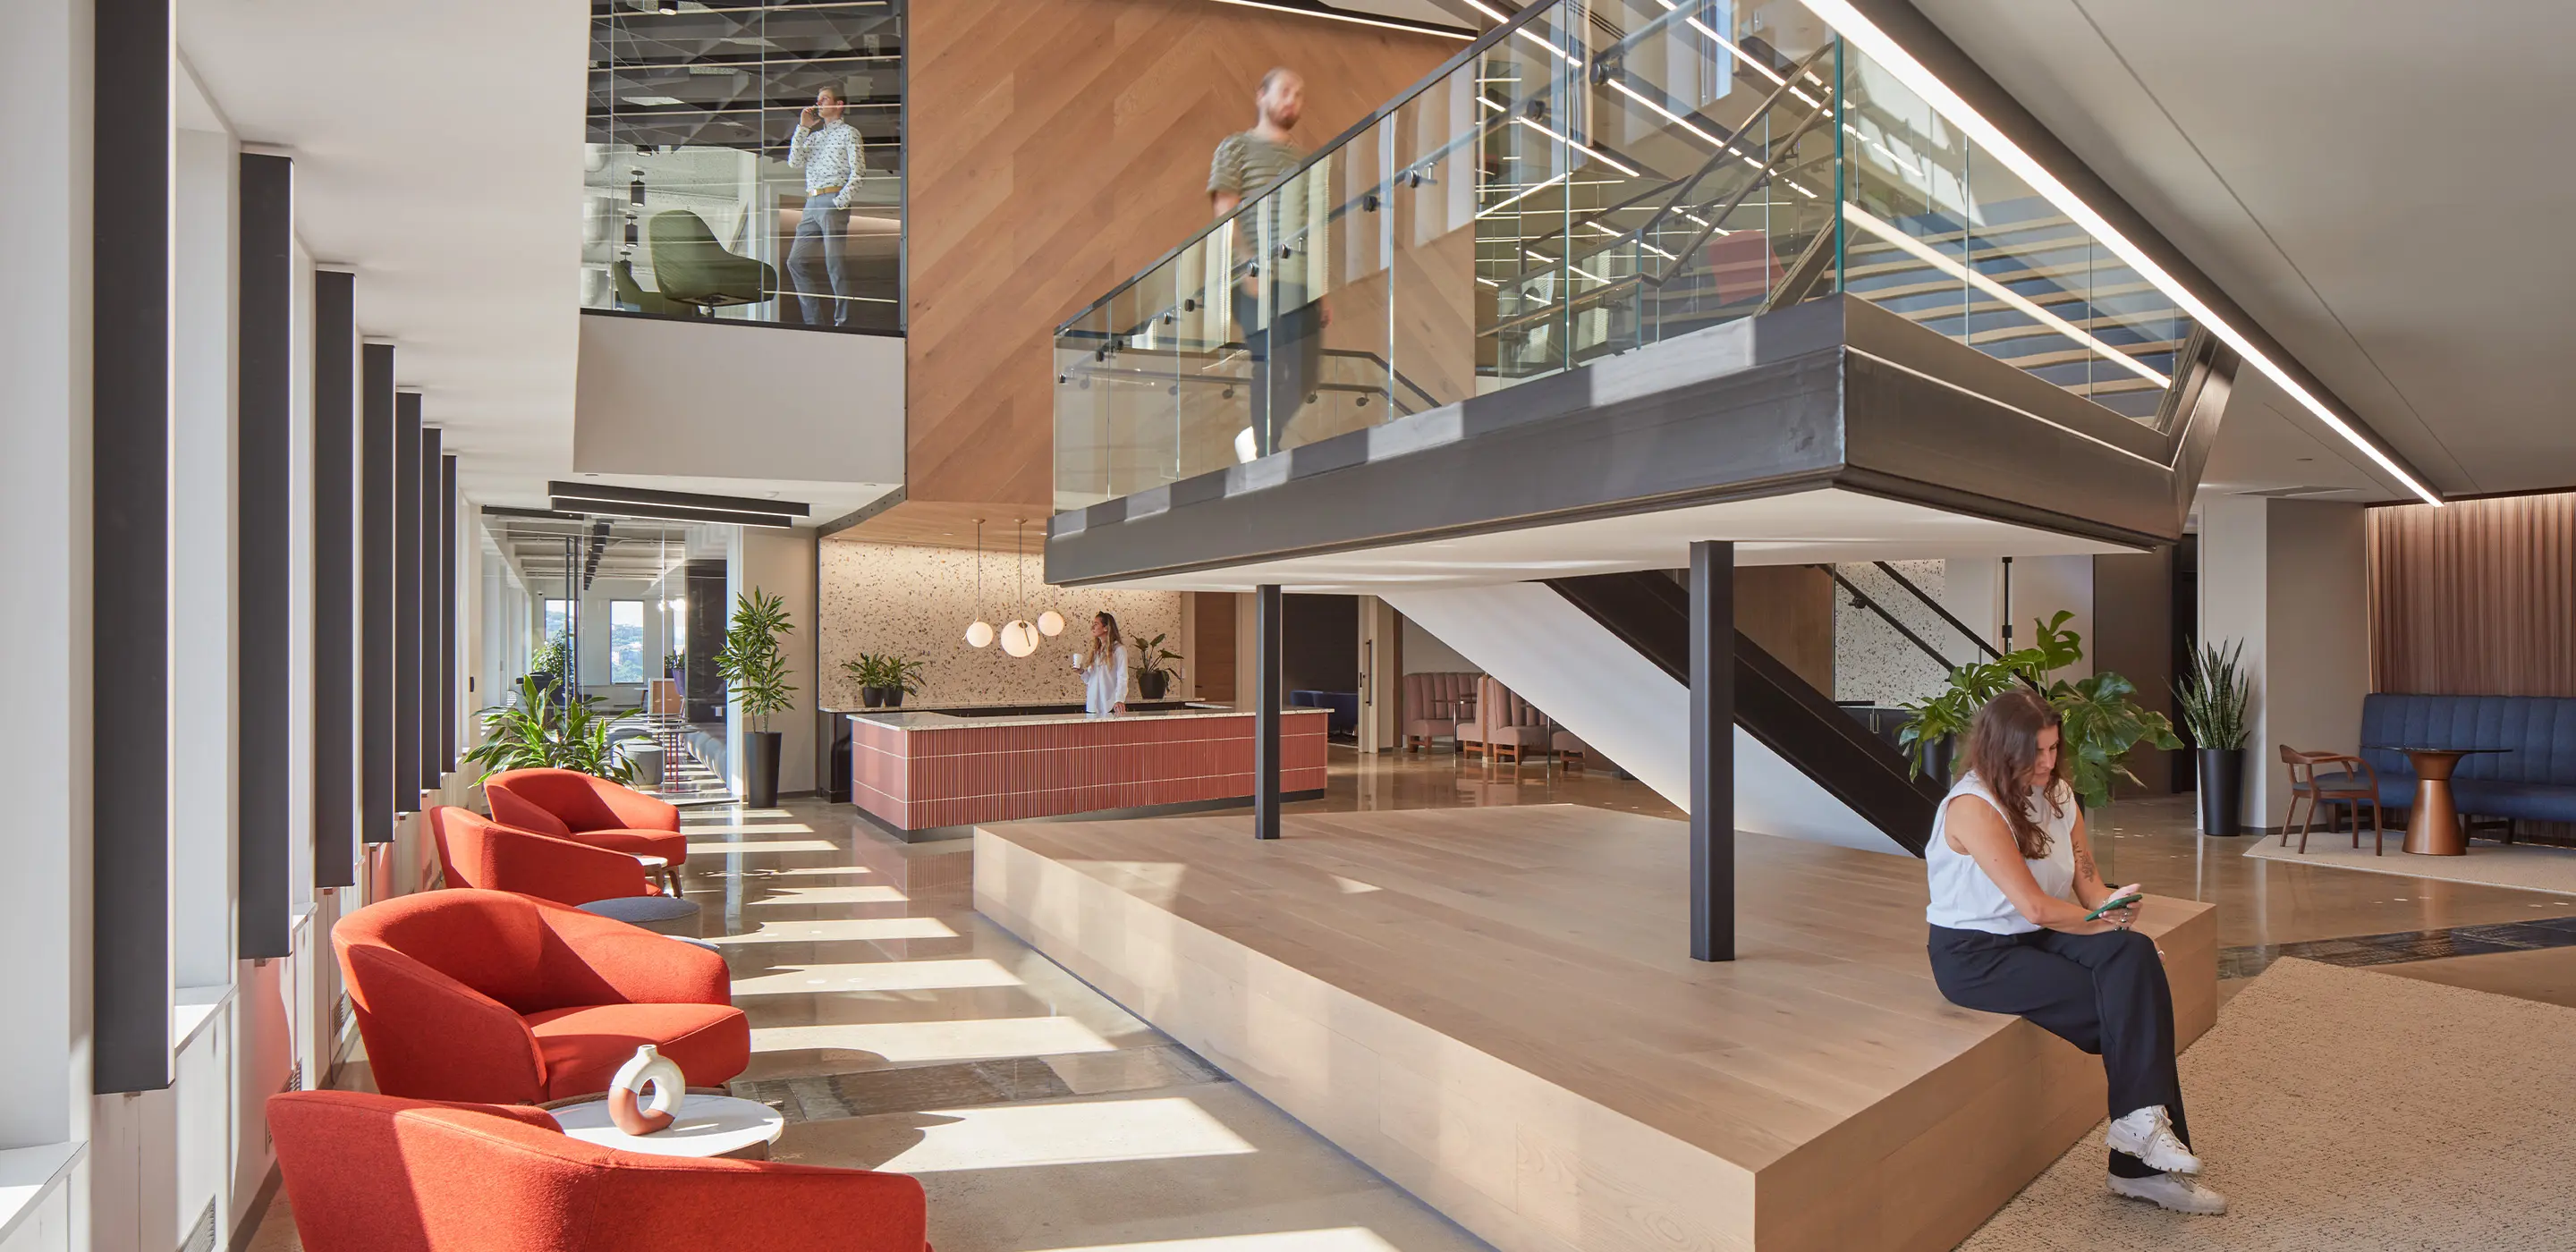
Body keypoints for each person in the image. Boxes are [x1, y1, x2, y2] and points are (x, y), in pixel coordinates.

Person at [1924, 689, 2227, 1215]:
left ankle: (2139, 1138)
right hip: (1975, 954)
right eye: (2035, 753)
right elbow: (2037, 907)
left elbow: (2088, 886)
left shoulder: (2058, 794)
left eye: (2052, 749)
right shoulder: (1973, 807)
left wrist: (2115, 906)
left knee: (2132, 958)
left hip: (2036, 933)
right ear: (2001, 751)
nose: (2047, 763)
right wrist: (2099, 925)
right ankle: (2139, 1164)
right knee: (2137, 1005)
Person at [1209, 67, 1326, 458]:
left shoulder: (1306, 160)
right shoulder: (1235, 148)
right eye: (1285, 91)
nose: (1293, 99)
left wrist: (1321, 290)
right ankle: (1266, 453)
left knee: (1307, 376)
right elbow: (1225, 211)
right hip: (1255, 278)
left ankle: (1259, 438)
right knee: (1271, 365)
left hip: (1301, 281)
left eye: (1300, 94)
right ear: (1261, 95)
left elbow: (1313, 224)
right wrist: (1247, 265)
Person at [786, 85, 864, 328]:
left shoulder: (849, 133)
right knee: (795, 262)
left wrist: (840, 202)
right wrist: (803, 128)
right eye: (817, 100)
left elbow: (858, 172)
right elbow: (794, 162)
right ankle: (813, 322)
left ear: (839, 104)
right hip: (811, 203)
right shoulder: (814, 137)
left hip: (832, 199)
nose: (818, 104)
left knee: (834, 262)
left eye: (824, 99)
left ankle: (843, 321)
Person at [1072, 612, 1129, 716]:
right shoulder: (1096, 651)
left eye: (1096, 624)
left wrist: (1120, 699)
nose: (1092, 627)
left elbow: (1123, 676)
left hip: (1110, 705)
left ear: (1106, 628)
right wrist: (1081, 672)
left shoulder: (1119, 650)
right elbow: (1090, 679)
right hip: (1092, 706)